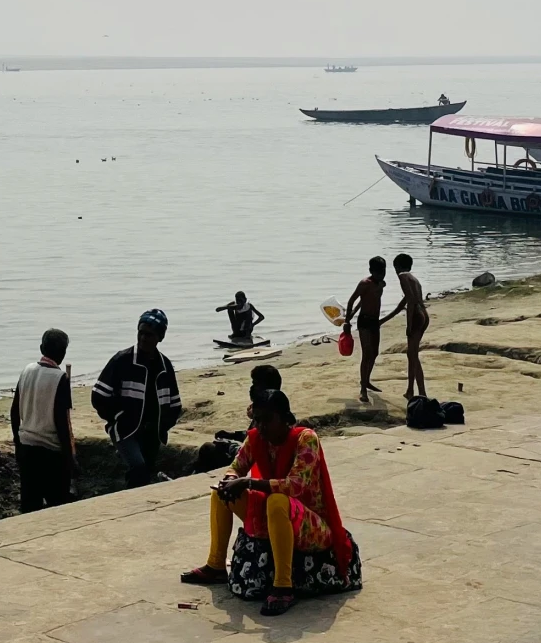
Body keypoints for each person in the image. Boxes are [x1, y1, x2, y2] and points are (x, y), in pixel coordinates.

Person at [181, 389, 359, 617]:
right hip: (273, 517)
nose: (261, 426)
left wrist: (249, 483)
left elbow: (295, 485)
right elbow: (236, 466)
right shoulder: (256, 438)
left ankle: (283, 586)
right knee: (220, 493)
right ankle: (216, 565)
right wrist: (231, 479)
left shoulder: (306, 439)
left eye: (267, 420)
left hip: (311, 525)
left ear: (285, 418)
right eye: (257, 420)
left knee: (277, 501)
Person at [90, 309, 182, 488]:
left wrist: (163, 426)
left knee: (145, 471)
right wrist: (117, 416)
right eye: (141, 333)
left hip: (153, 434)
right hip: (125, 430)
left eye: (149, 334)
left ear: (160, 337)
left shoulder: (165, 366)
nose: (143, 338)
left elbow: (175, 404)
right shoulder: (122, 360)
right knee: (138, 466)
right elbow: (98, 396)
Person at [11, 329, 77, 511]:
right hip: (51, 453)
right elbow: (62, 423)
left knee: (30, 505)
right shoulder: (60, 378)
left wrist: (17, 443)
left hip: (27, 449)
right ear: (63, 353)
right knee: (57, 505)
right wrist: (69, 457)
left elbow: (14, 412)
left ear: (41, 348)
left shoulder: (27, 371)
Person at [381, 253, 428, 402]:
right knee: (411, 354)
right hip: (424, 314)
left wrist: (408, 324)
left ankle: (421, 392)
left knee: (413, 355)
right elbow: (406, 301)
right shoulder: (414, 279)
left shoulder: (402, 276)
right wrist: (385, 318)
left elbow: (412, 302)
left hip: (416, 316)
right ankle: (410, 390)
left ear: (397, 267)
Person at [344, 256, 387, 401]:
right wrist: (347, 320)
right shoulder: (364, 283)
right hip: (364, 321)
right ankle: (363, 388)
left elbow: (365, 301)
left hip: (375, 321)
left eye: (383, 271)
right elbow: (353, 300)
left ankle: (367, 380)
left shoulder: (381, 283)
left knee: (374, 353)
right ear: (371, 271)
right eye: (378, 272)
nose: (381, 275)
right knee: (366, 353)